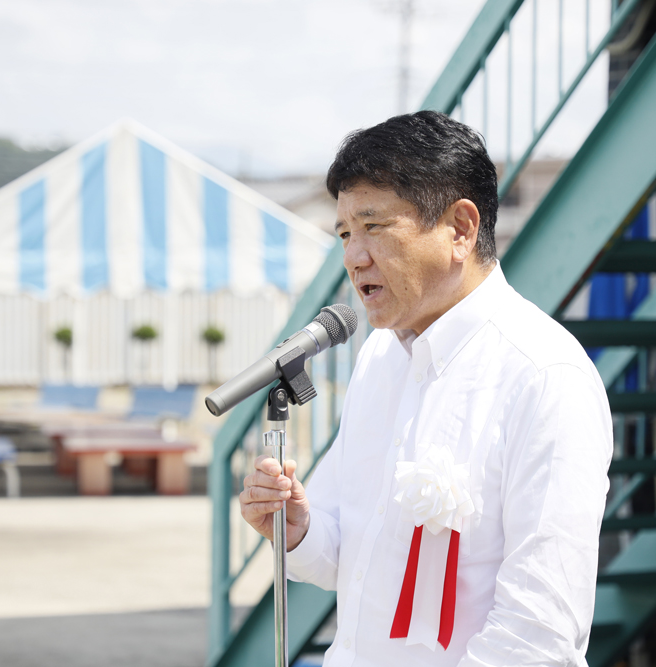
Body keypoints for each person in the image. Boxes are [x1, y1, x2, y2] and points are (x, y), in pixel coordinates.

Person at [239, 110, 613, 666]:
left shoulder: (544, 375)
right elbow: (352, 556)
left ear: (460, 229)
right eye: (345, 233)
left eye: (374, 227)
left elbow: (539, 635)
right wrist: (298, 529)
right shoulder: (380, 356)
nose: (353, 256)